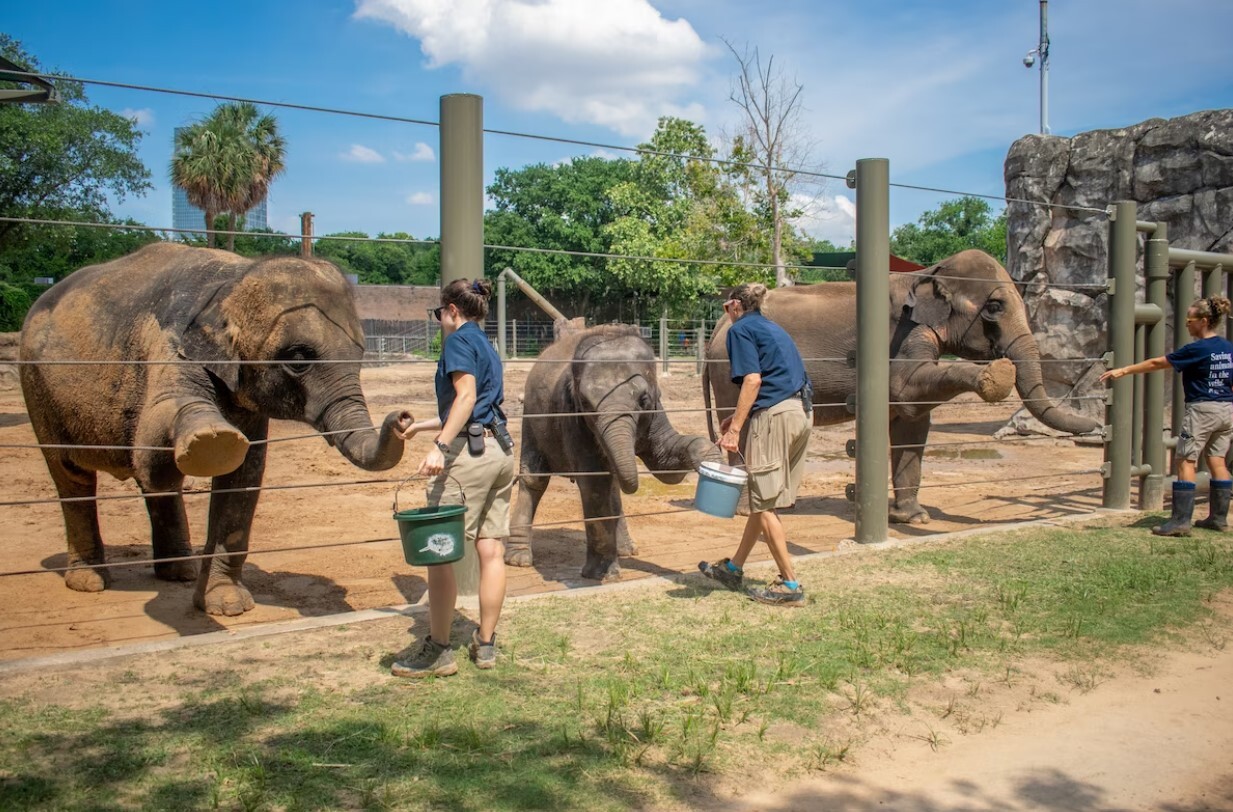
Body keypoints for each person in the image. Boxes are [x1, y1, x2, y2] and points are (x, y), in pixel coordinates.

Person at [391, 279, 516, 676]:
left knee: (438, 552)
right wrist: (424, 428)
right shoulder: (485, 343)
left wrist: (440, 447)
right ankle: (486, 645)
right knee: (491, 549)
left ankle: (440, 650)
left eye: (438, 314)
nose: (439, 320)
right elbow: (480, 405)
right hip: (499, 451)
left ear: (451, 311)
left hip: (468, 459)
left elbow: (465, 398)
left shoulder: (457, 342)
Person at [699, 283, 813, 606]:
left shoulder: (740, 330)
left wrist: (735, 430)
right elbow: (776, 376)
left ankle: (790, 585)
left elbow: (753, 380)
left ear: (735, 306)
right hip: (801, 414)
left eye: (725, 308)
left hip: (775, 417)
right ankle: (734, 568)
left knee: (763, 502)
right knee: (763, 498)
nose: (726, 315)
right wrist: (737, 419)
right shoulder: (772, 328)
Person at [1099, 296, 1233, 536]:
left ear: (1203, 321)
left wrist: (1125, 370)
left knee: (1185, 461)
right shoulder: (1227, 348)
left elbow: (1157, 363)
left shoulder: (1196, 349)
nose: (1186, 324)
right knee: (1218, 461)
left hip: (1202, 409)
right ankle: (1218, 519)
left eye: (1189, 319)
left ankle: (1180, 522)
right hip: (1226, 409)